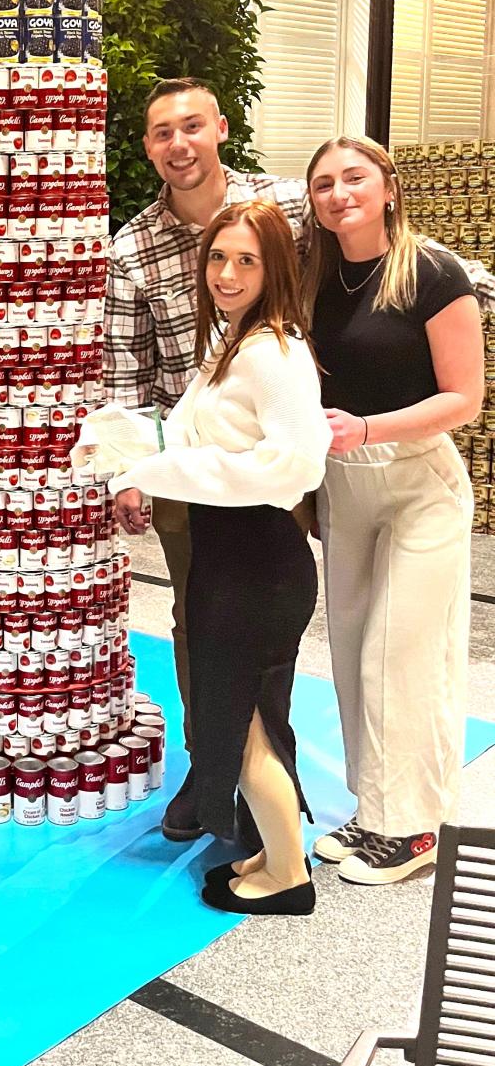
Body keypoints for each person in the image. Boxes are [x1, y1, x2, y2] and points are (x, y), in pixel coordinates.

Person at [84, 201, 330, 914]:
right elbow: (183, 434)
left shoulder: (276, 353)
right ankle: (274, 853)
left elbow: (294, 469)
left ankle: (288, 876)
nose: (226, 273)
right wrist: (125, 448)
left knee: (246, 718)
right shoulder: (232, 343)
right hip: (227, 560)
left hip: (258, 561)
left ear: (275, 267)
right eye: (218, 258)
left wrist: (159, 473)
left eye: (246, 260)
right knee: (237, 715)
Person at [105, 78, 306, 841]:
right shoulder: (132, 246)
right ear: (149, 147)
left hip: (279, 457)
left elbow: (377, 248)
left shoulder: (282, 206)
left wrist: (450, 295)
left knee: (273, 617)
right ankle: (210, 762)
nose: (179, 144)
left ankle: (270, 771)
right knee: (199, 622)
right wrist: (129, 472)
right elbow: (126, 369)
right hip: (188, 469)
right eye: (162, 133)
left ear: (220, 127)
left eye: (192, 126)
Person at [306, 137, 484, 886]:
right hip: (343, 485)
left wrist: (369, 428)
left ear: (387, 188)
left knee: (400, 655)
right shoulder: (315, 276)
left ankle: (412, 826)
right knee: (350, 655)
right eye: (324, 184)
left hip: (417, 482)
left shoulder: (433, 270)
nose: (340, 193)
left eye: (354, 178)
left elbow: (464, 399)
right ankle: (375, 806)